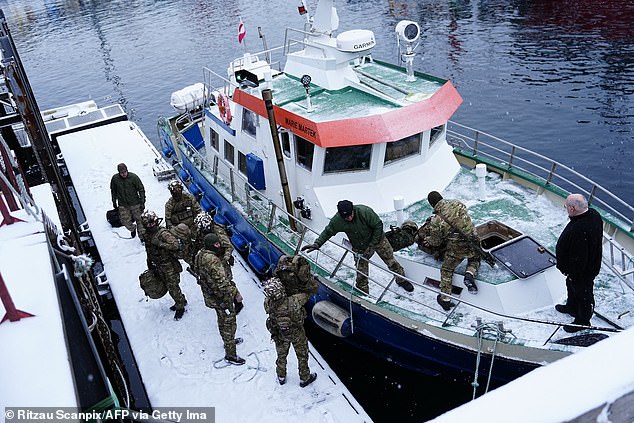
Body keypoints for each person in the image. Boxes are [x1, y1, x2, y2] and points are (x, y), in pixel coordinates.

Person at [301, 200, 413, 294]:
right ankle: (363, 292)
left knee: (391, 261)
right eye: (346, 217)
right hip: (359, 247)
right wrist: (317, 243)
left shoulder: (365, 212)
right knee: (361, 272)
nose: (349, 218)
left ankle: (401, 280)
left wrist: (372, 244)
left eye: (350, 215)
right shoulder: (337, 221)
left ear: (353, 210)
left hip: (378, 240)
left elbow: (378, 225)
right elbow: (328, 231)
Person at [424, 191, 481, 311]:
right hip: (474, 240)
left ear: (432, 205)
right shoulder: (457, 203)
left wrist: (428, 239)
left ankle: (445, 300)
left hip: (457, 248)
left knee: (446, 270)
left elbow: (436, 242)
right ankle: (469, 273)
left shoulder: (436, 221)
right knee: (475, 258)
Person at [194, 233, 245, 365]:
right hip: (221, 297)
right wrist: (236, 294)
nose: (219, 246)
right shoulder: (213, 260)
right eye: (216, 244)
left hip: (211, 295)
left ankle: (228, 342)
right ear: (211, 245)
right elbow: (223, 282)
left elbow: (197, 271)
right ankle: (231, 355)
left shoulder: (200, 254)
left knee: (221, 319)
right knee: (229, 323)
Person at [555, 193, 603, 333]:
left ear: (572, 209)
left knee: (584, 293)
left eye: (566, 206)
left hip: (582, 271)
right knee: (571, 285)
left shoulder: (579, 229)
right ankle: (572, 307)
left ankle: (583, 321)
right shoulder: (594, 214)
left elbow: (579, 256)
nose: (566, 209)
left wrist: (571, 272)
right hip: (587, 265)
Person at [263, 276, 317, 387]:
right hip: (296, 333)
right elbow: (307, 294)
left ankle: (281, 376)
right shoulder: (294, 301)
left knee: (281, 355)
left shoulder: (268, 303)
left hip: (279, 334)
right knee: (302, 355)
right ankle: (304, 378)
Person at [193, 212, 244, 314]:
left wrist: (224, 259)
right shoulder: (199, 232)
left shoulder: (218, 231)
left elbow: (229, 247)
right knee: (213, 282)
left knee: (227, 280)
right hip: (209, 258)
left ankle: (237, 301)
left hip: (221, 258)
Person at [141, 210, 187, 320]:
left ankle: (180, 305)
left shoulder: (163, 233)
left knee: (172, 286)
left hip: (168, 265)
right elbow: (148, 249)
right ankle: (180, 300)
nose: (151, 225)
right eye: (148, 224)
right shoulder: (147, 234)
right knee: (166, 284)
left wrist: (160, 244)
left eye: (153, 223)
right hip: (157, 264)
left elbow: (175, 245)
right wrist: (149, 262)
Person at [110, 163, 146, 240]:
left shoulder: (133, 177)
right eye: (122, 173)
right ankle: (133, 229)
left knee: (140, 220)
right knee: (125, 221)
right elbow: (113, 191)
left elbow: (141, 189)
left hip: (135, 203)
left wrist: (142, 202)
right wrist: (114, 202)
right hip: (123, 204)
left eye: (125, 172)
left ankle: (142, 237)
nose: (124, 174)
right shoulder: (115, 179)